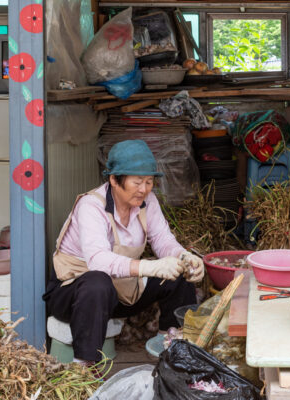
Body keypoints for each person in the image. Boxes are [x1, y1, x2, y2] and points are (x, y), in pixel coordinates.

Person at [42, 139, 204, 365]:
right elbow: (98, 260)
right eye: (137, 182)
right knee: (97, 282)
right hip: (75, 294)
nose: (144, 189)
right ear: (114, 180)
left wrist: (185, 257)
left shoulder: (147, 202)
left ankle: (171, 349)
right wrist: (150, 266)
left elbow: (163, 240)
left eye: (149, 182)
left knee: (178, 275)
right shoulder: (91, 206)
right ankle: (84, 368)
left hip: (121, 290)